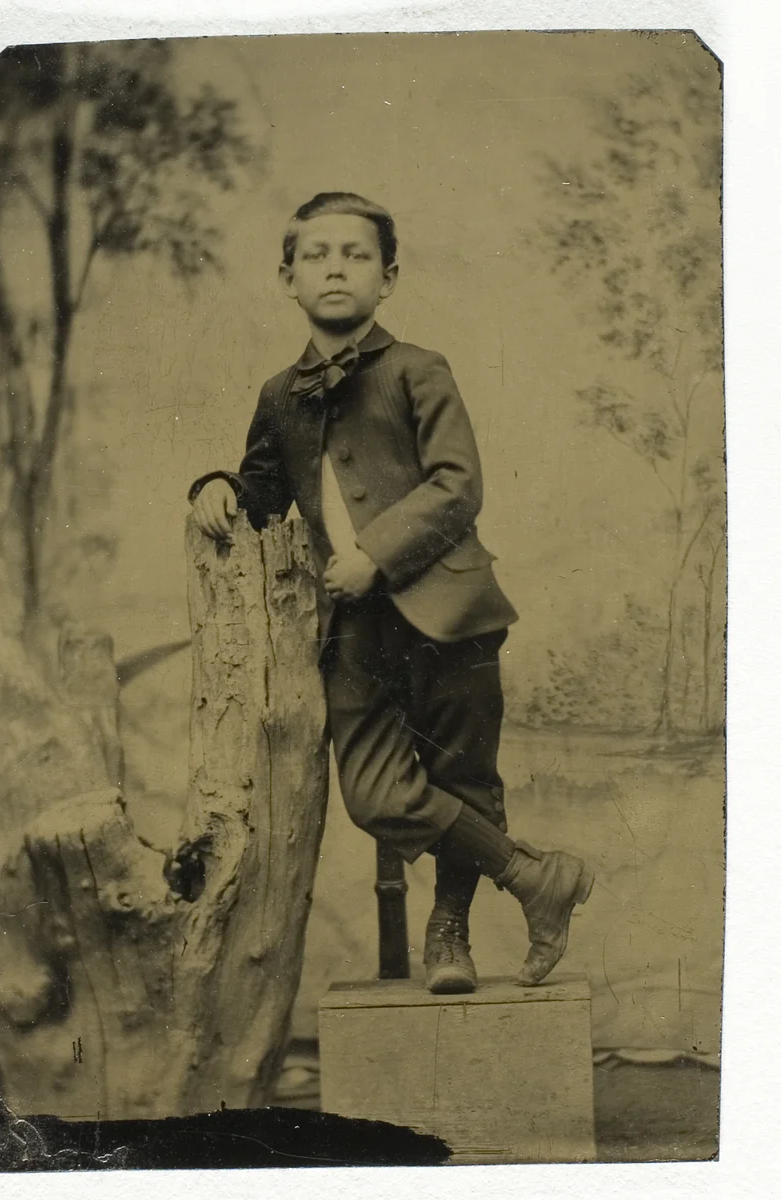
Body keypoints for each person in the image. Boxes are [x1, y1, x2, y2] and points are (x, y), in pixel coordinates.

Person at [189, 192, 594, 993]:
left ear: (388, 277)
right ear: (287, 277)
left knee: (464, 782)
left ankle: (448, 937)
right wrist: (216, 486)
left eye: (355, 254)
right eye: (316, 255)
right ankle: (533, 877)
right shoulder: (280, 393)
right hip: (353, 629)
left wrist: (375, 555)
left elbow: (457, 485)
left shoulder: (418, 369)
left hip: (448, 611)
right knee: (376, 794)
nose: (335, 267)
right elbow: (266, 487)